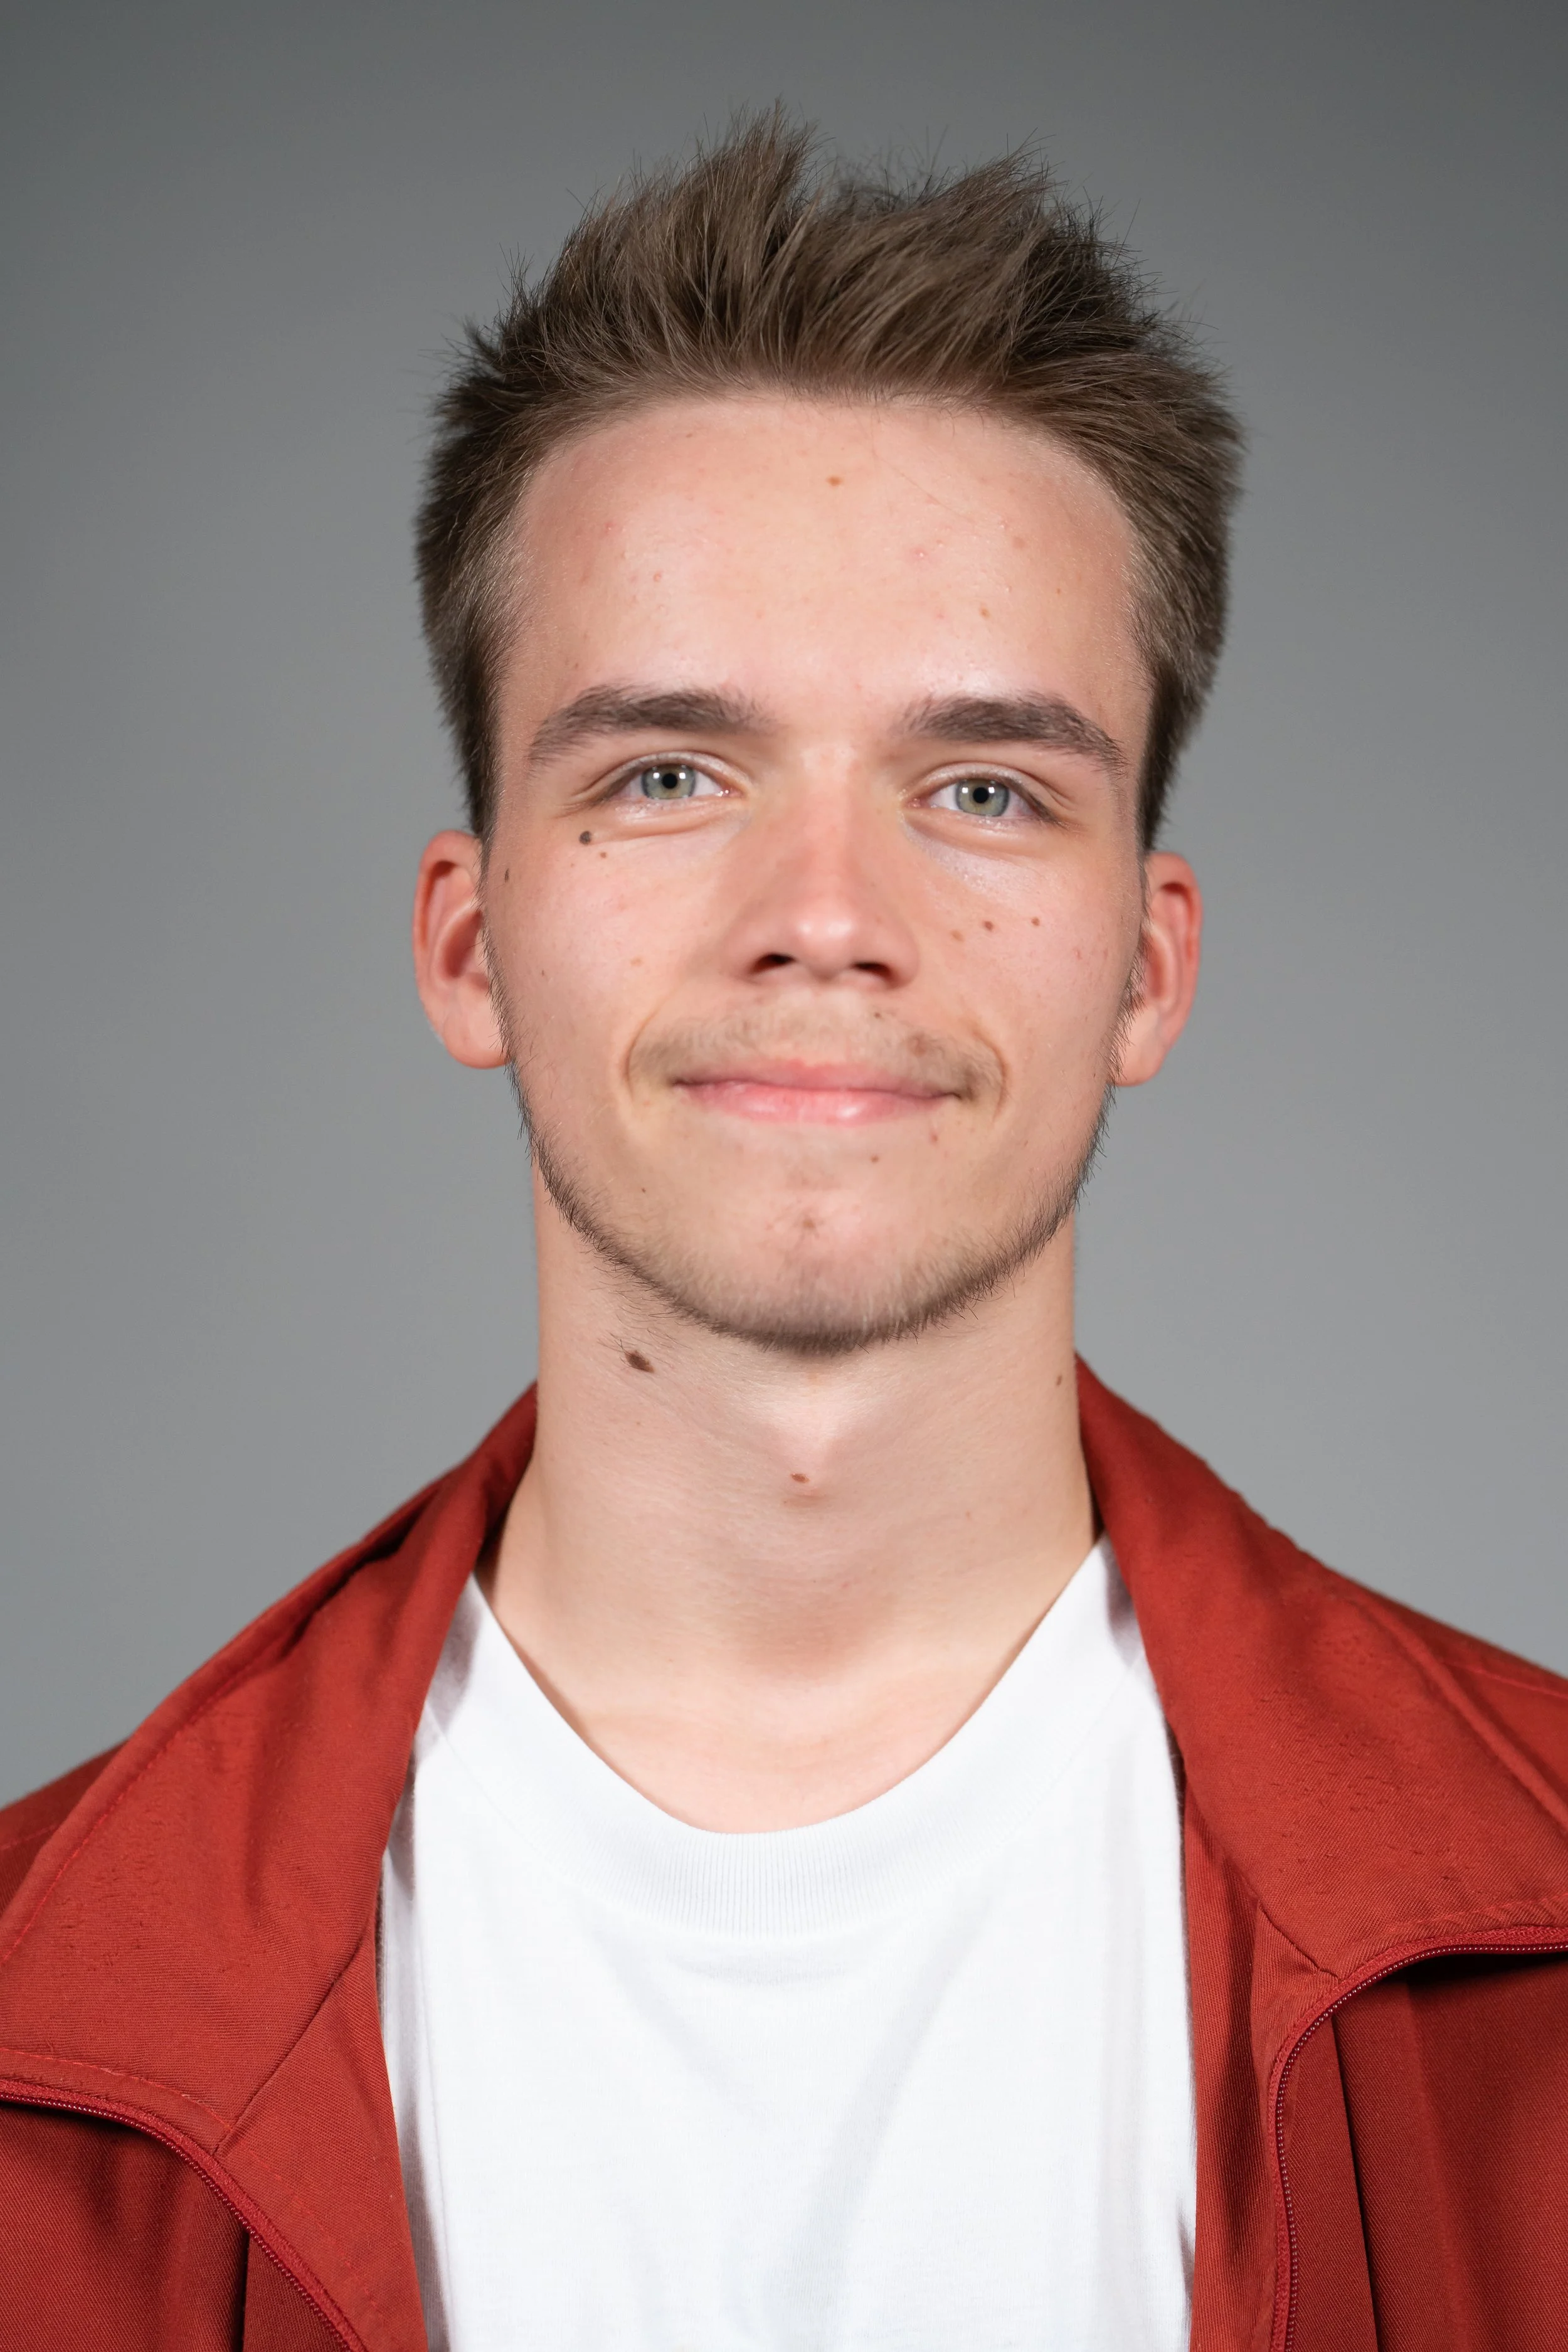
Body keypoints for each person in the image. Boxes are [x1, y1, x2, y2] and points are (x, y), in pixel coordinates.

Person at [1, 113, 1564, 2352]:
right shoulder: (33, 2036)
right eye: (665, 773)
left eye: (982, 788)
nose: (826, 917)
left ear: (1144, 961)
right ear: (467, 940)